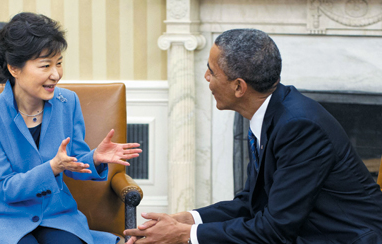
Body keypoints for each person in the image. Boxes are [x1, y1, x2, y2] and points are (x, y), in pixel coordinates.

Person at [124, 29, 382, 243]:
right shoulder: (269, 111)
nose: (206, 78)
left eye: (211, 71)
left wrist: (185, 235)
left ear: (239, 87)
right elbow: (252, 202)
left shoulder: (300, 127)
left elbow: (275, 229)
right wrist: (190, 219)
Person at [0, 12, 142, 244]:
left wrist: (95, 159)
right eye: (45, 65)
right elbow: (3, 188)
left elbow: (72, 162)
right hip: (3, 216)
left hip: (55, 213)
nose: (56, 74)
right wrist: (52, 167)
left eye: (59, 63)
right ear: (14, 69)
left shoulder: (67, 102)